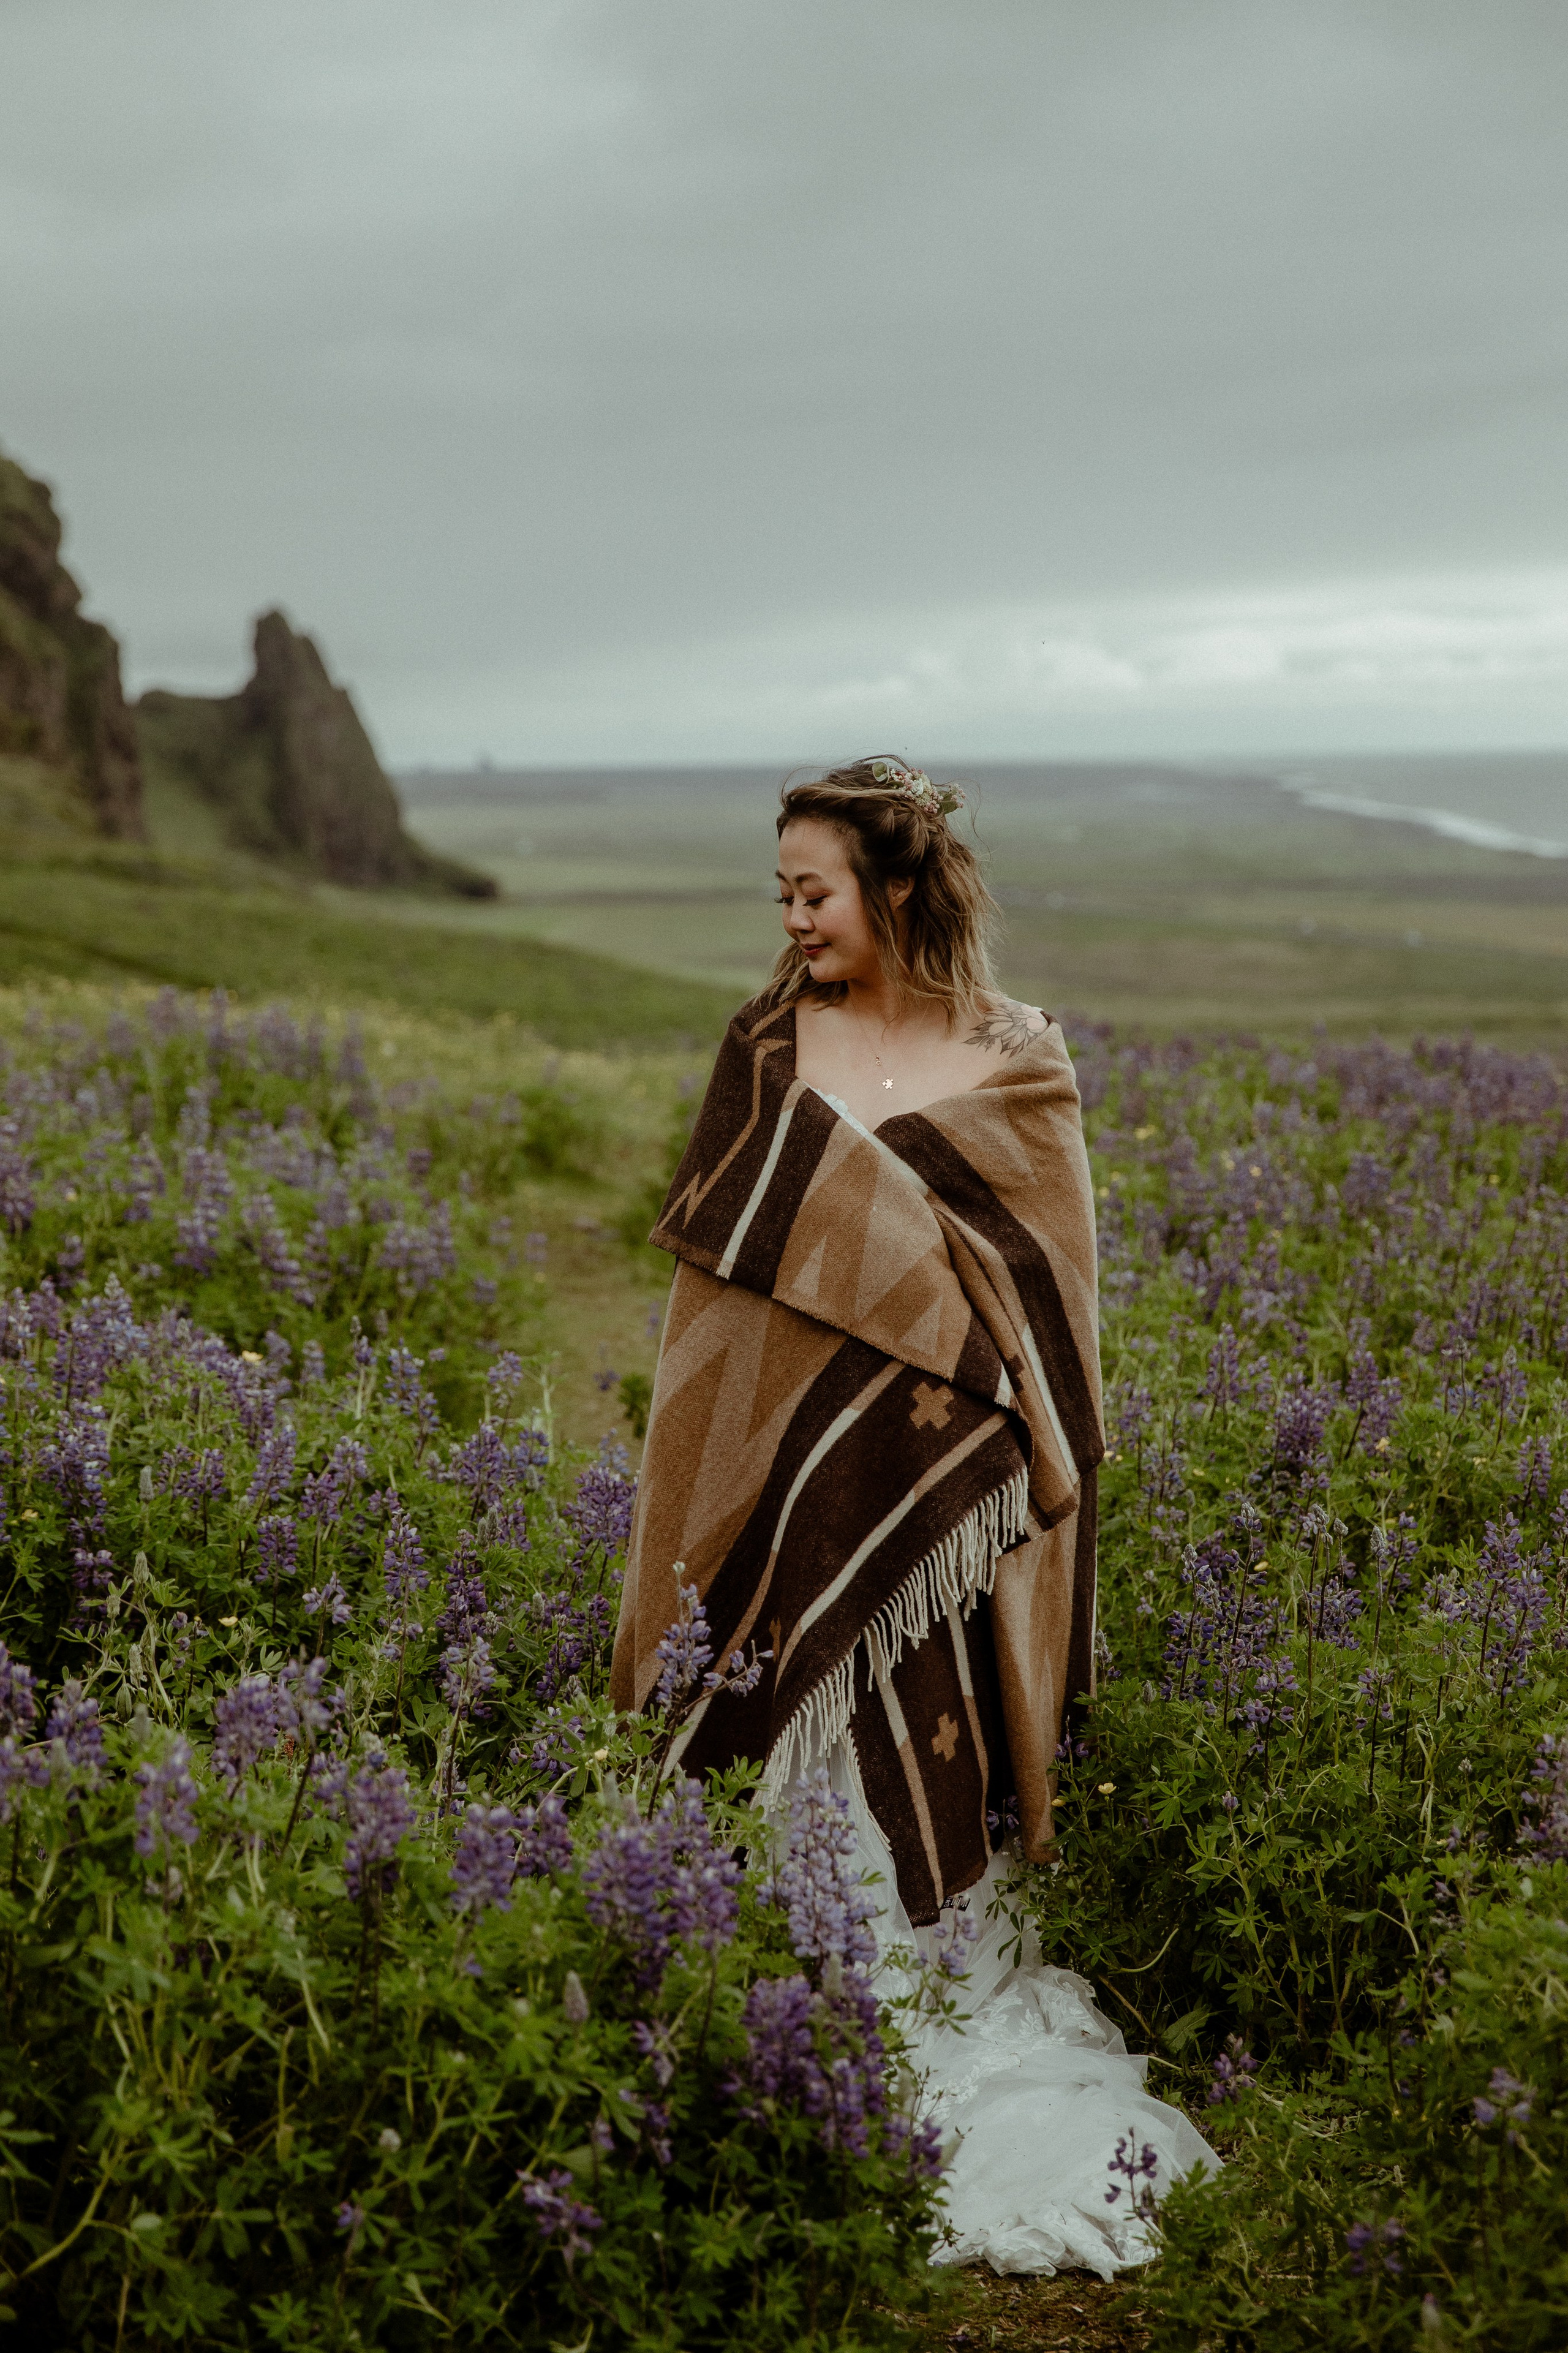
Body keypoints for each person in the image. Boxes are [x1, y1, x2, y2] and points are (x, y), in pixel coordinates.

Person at [609, 757, 1213, 2275]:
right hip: (787, 1486)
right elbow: (718, 1289)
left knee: (922, 1730)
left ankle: (915, 1984)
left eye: (812, 892)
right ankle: (782, 1998)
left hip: (944, 1498)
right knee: (780, 1717)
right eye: (781, 896)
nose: (793, 919)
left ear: (891, 888)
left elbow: (1043, 1300)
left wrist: (992, 1420)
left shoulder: (1014, 1063)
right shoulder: (764, 1048)